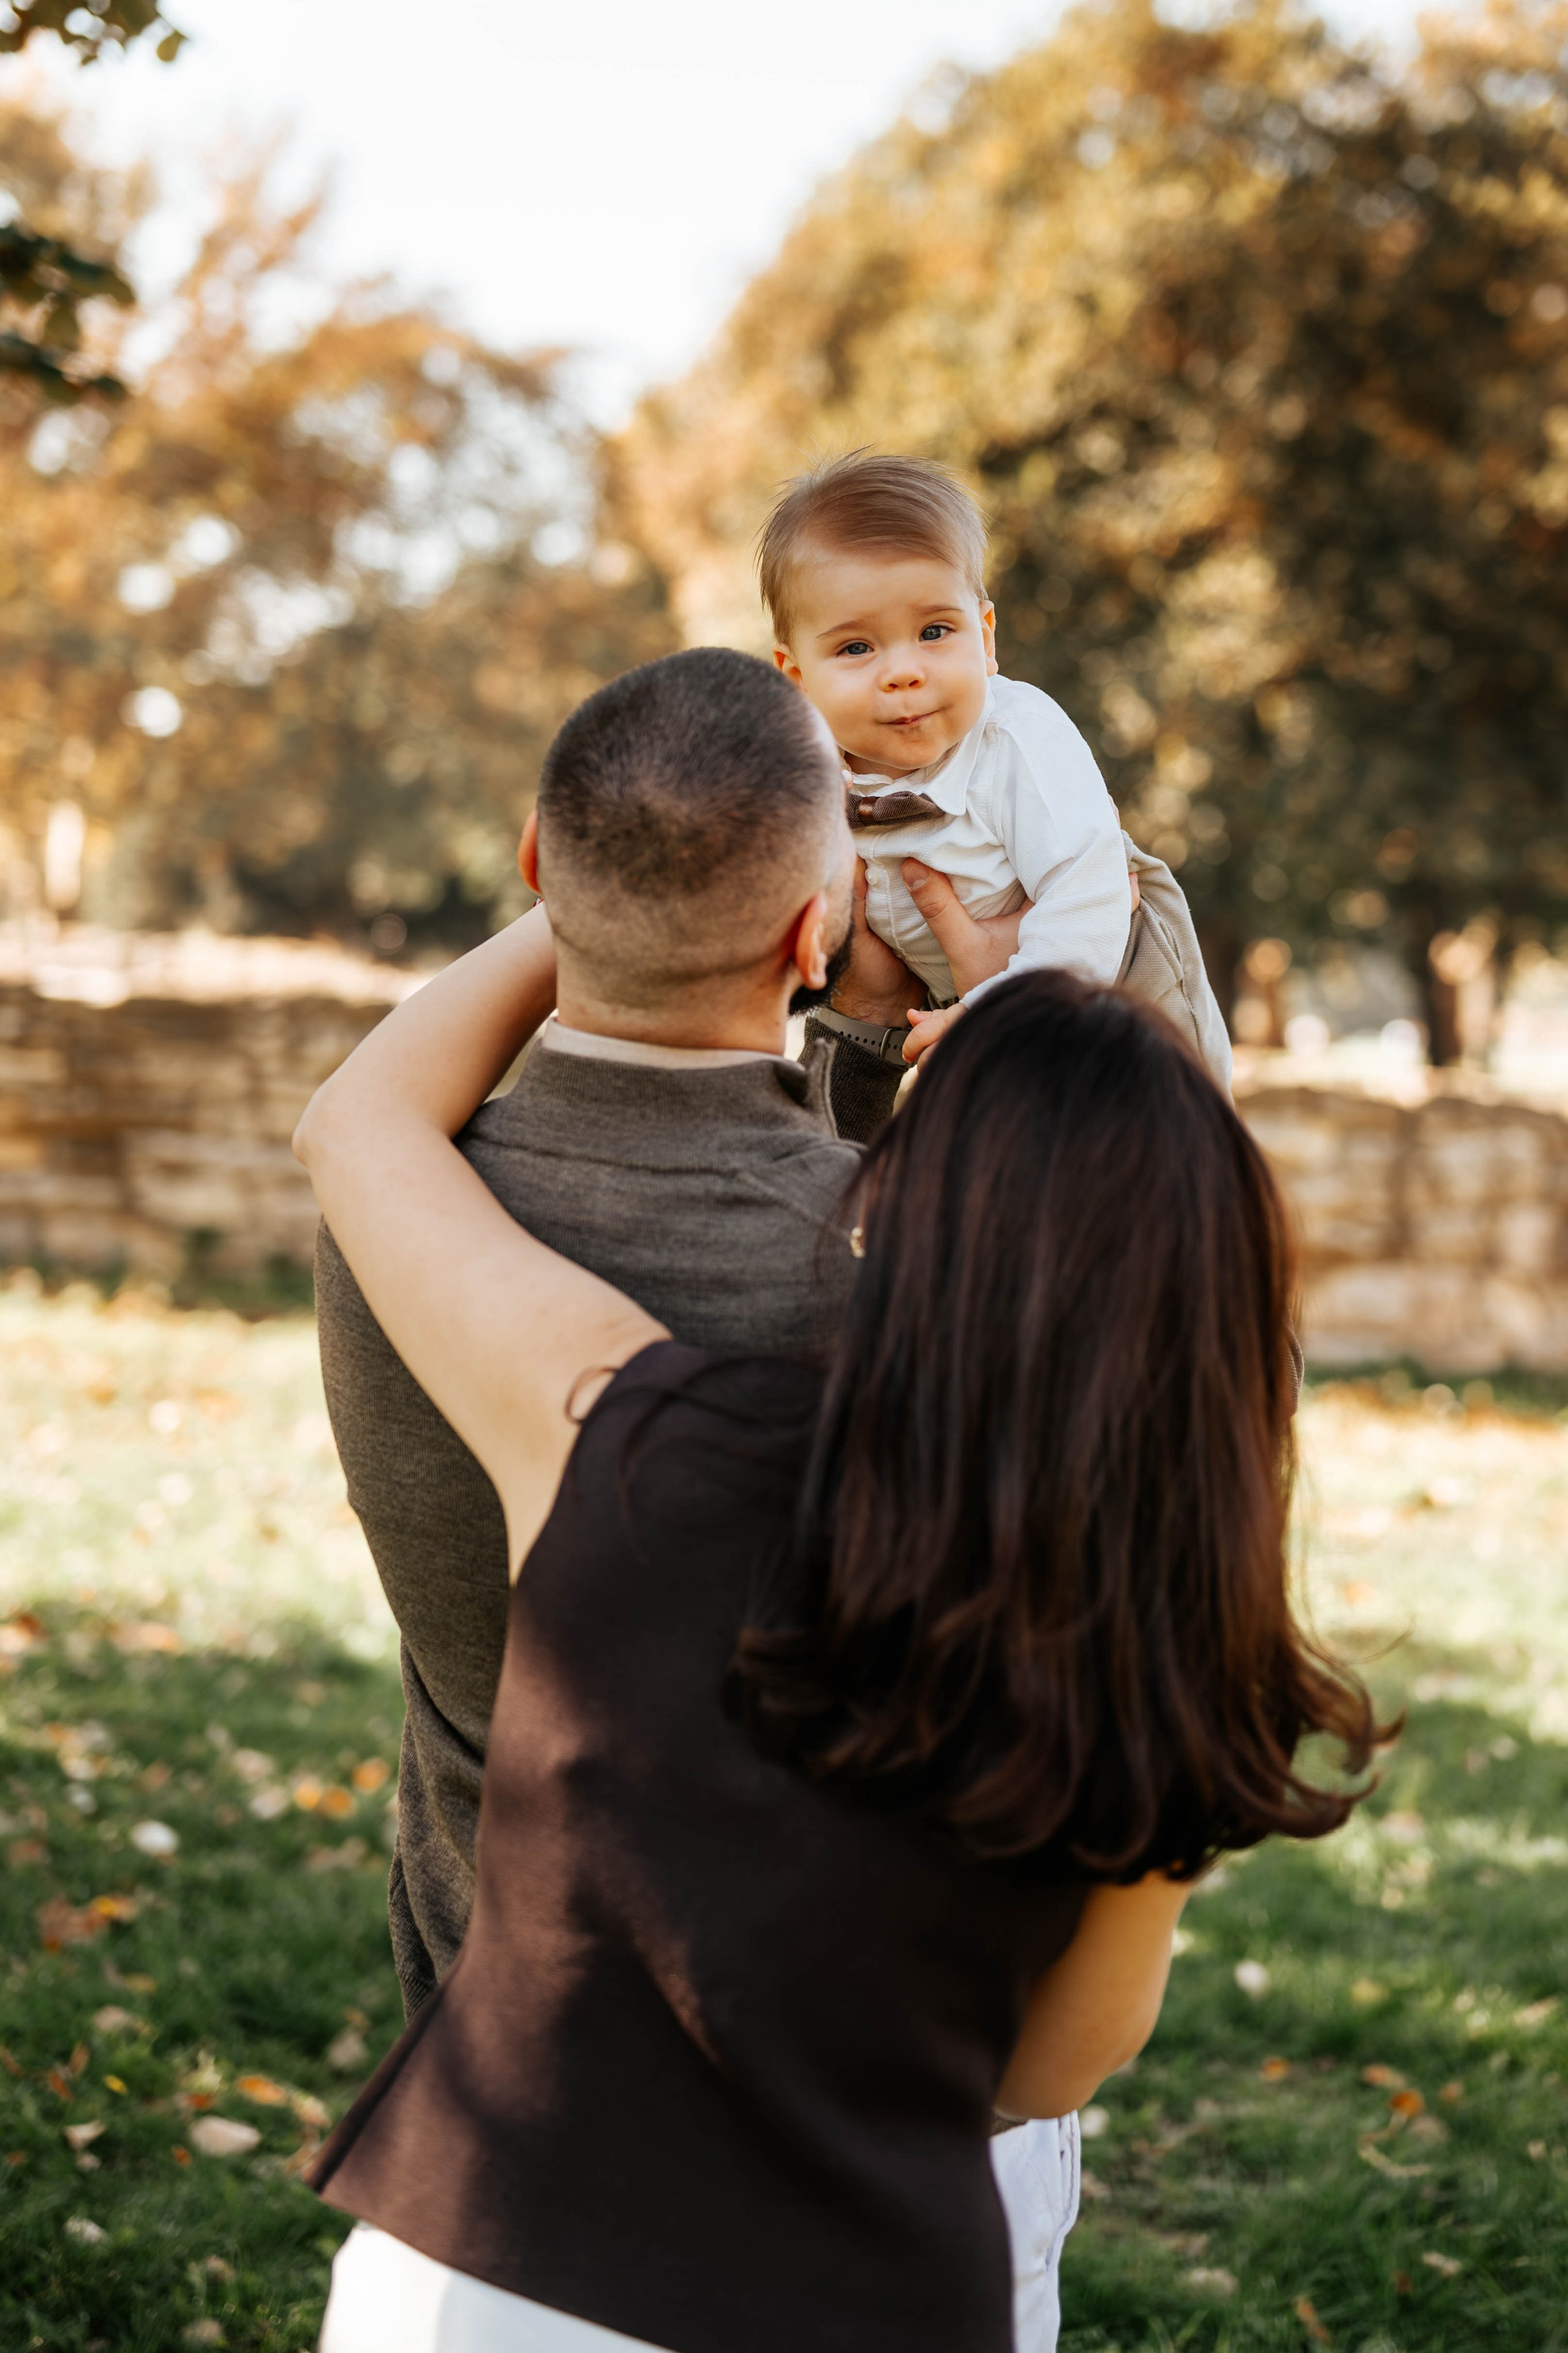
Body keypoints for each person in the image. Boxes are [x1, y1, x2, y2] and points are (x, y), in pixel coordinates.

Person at [295, 900, 1375, 2353]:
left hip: (496, 2270)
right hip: (876, 2296)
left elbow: (359, 1123)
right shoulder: (1163, 1639)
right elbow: (1054, 2066)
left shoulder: (633, 1434)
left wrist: (637, 892)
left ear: (894, 1213)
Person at [312, 645, 1075, 2343]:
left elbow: (375, 1107)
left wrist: (625, 889)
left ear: (534, 864)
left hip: (493, 2098)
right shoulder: (902, 1288)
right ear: (814, 929)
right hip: (843, 2135)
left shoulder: (393, 1206)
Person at [761, 449, 1233, 1084]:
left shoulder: (1016, 739)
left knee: (1166, 1123)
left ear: (984, 638)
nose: (904, 671)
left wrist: (994, 1012)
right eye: (856, 646)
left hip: (1119, 974)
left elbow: (1087, 895)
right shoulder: (808, 782)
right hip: (973, 1007)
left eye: (934, 631)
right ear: (796, 678)